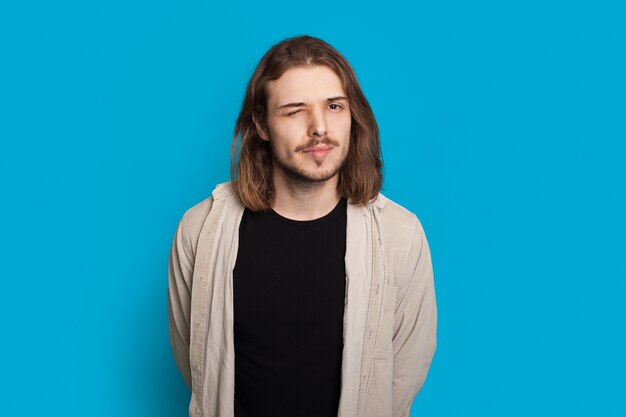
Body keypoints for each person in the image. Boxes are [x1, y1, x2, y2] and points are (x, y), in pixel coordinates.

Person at [168, 35, 437, 417]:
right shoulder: (200, 230)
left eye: (333, 106)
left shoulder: (400, 236)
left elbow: (402, 379)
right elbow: (198, 366)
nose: (319, 128)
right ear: (261, 123)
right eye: (295, 110)